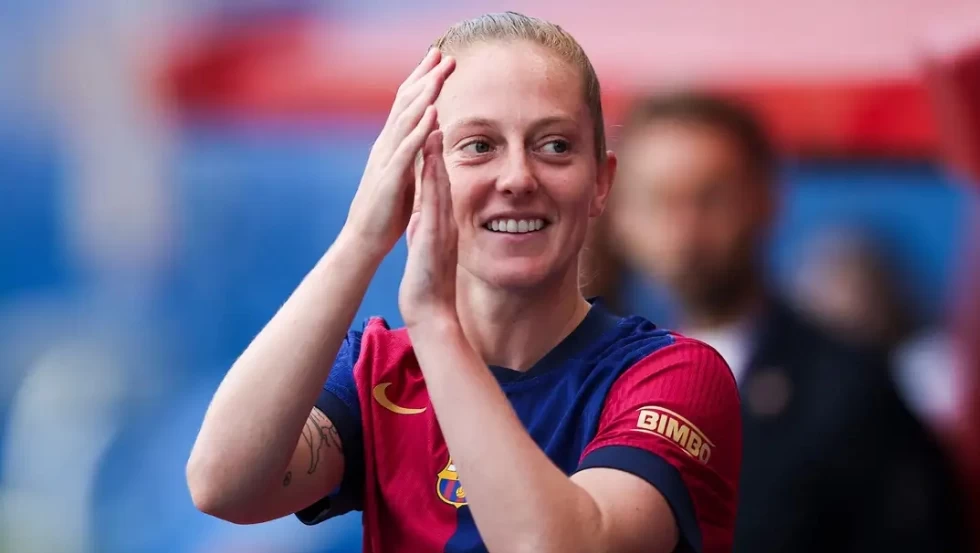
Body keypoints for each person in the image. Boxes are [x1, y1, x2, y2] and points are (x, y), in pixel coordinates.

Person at [186, 12, 742, 553]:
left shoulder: (674, 376)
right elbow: (223, 484)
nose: (518, 177)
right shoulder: (376, 374)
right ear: (413, 176)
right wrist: (360, 238)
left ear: (600, 182)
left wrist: (434, 322)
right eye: (479, 145)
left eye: (554, 145)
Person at [608, 91, 968, 553]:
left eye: (711, 198)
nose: (684, 231)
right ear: (619, 216)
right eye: (657, 201)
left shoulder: (846, 389)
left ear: (766, 199)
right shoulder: (601, 386)